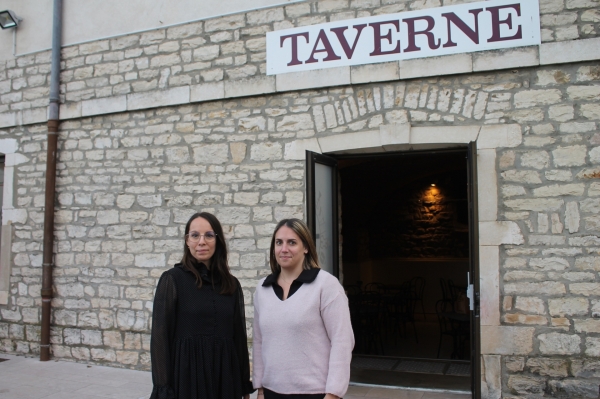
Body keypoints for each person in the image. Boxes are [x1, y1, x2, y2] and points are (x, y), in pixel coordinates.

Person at [150, 212, 253, 399]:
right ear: (187, 241)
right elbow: (160, 339)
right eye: (195, 235)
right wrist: (163, 389)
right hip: (188, 379)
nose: (202, 241)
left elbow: (238, 338)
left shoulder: (231, 284)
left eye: (209, 235)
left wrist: (243, 384)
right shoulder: (172, 280)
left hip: (225, 379)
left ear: (218, 240)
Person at [252, 219, 354, 399]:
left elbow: (342, 340)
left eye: (292, 242)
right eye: (279, 242)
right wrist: (259, 388)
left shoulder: (326, 285)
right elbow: (259, 342)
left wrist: (333, 394)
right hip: (271, 392)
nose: (284, 249)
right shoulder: (262, 289)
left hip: (314, 393)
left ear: (306, 247)